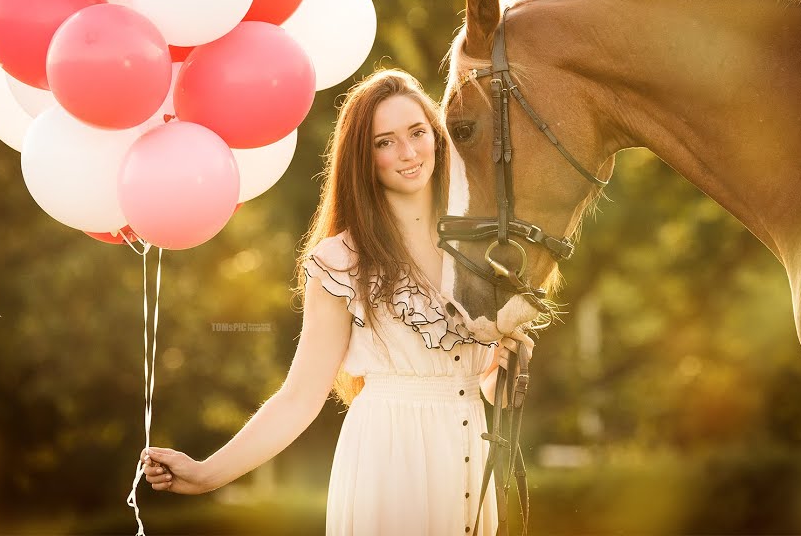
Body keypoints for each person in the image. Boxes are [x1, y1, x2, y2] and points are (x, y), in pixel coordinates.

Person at [140, 67, 535, 535]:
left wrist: (508, 367)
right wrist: (207, 473)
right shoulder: (341, 262)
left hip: (472, 452)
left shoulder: (483, 252)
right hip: (390, 459)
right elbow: (299, 398)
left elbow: (479, 387)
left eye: (417, 132)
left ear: (438, 136)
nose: (408, 153)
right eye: (384, 142)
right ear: (363, 158)